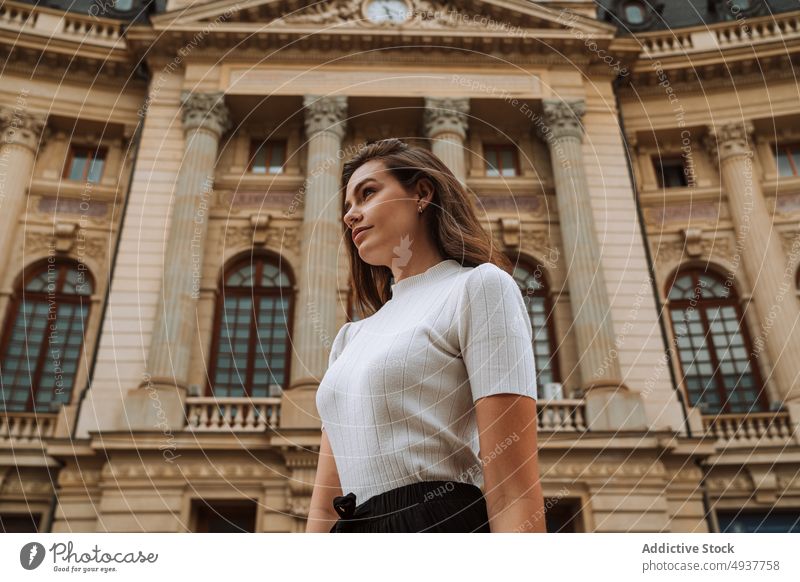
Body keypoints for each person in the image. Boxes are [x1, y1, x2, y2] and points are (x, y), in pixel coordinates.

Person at [305, 138, 546, 533]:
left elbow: (512, 489)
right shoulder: (349, 338)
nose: (351, 215)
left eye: (367, 194)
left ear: (421, 193)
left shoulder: (479, 287)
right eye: (347, 207)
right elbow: (324, 508)